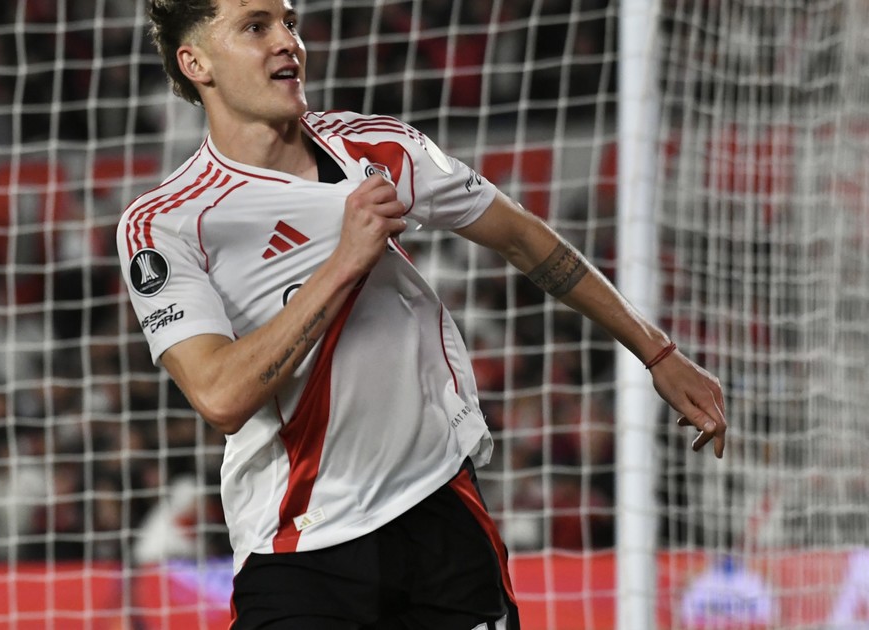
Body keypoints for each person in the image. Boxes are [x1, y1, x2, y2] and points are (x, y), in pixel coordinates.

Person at [118, 1, 727, 627]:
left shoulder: (379, 147)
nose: (287, 42)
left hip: (438, 509)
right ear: (196, 63)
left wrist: (658, 352)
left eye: (289, 23)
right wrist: (345, 260)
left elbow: (522, 237)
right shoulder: (166, 222)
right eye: (255, 26)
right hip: (300, 543)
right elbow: (220, 396)